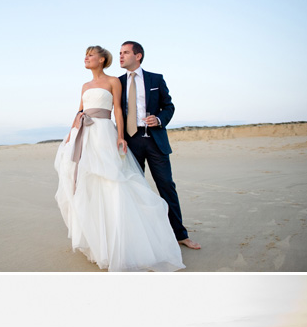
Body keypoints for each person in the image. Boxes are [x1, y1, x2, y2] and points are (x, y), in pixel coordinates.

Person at [55, 46, 185, 272]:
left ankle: (174, 234)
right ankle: (109, 237)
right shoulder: (96, 84)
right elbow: (81, 111)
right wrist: (70, 135)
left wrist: (127, 133)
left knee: (145, 184)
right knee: (101, 184)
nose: (86, 58)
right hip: (98, 137)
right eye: (85, 55)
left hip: (125, 136)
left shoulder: (130, 80)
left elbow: (123, 109)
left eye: (91, 54)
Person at [119, 41, 201, 252]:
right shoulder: (117, 82)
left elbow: (169, 106)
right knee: (134, 189)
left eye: (125, 52)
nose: (121, 56)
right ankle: (141, 235)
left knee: (166, 185)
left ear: (138, 56)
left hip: (155, 141)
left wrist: (160, 119)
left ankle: (180, 234)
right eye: (120, 53)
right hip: (130, 141)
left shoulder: (156, 79)